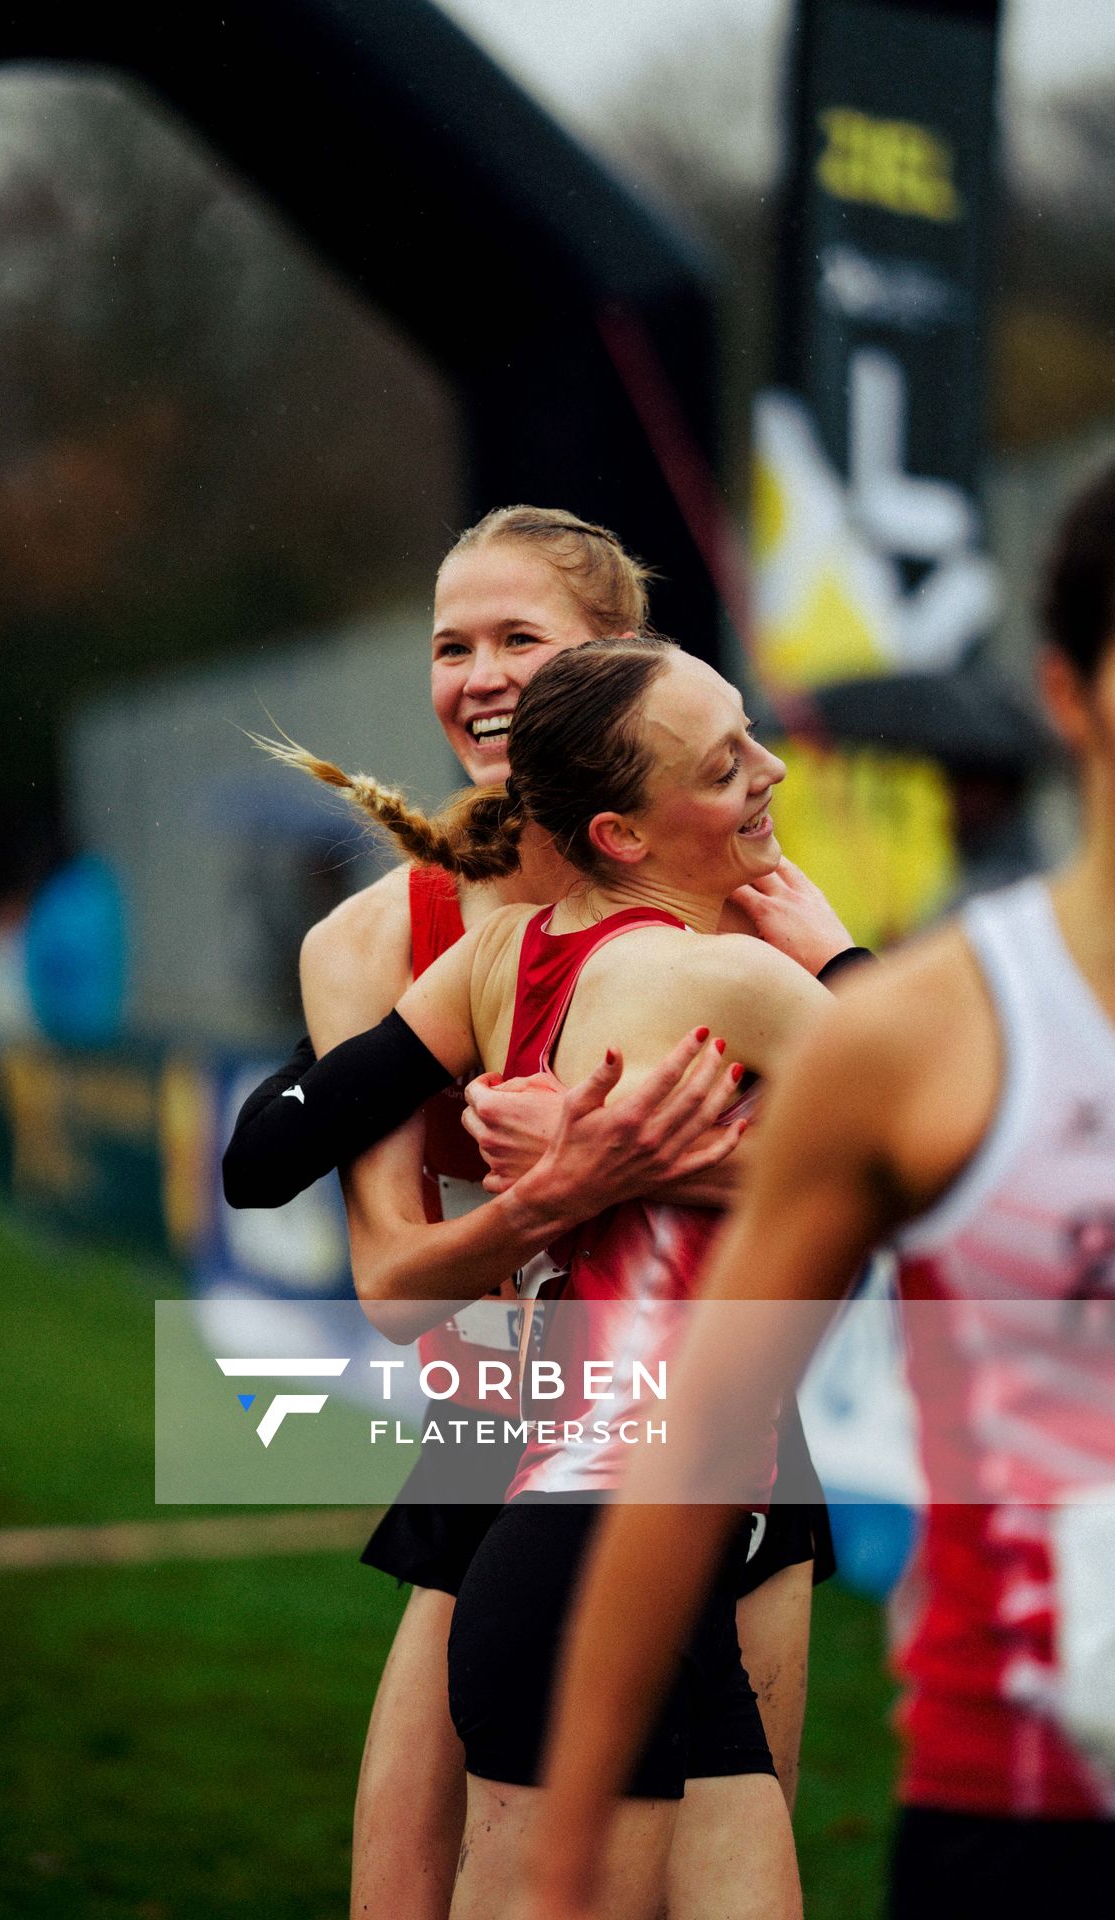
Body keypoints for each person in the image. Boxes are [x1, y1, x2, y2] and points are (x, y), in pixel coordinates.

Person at [223, 510, 847, 1915]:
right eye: (453, 646)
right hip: (510, 1446)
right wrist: (558, 1193)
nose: (484, 676)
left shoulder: (735, 884)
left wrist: (633, 1162)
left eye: (522, 639)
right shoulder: (398, 941)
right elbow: (385, 1277)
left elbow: (879, 1164)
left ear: (621, 667)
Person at [526, 461, 1115, 1920]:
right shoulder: (921, 1037)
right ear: (1069, 694)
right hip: (1028, 1826)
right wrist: (560, 1875)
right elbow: (689, 1459)